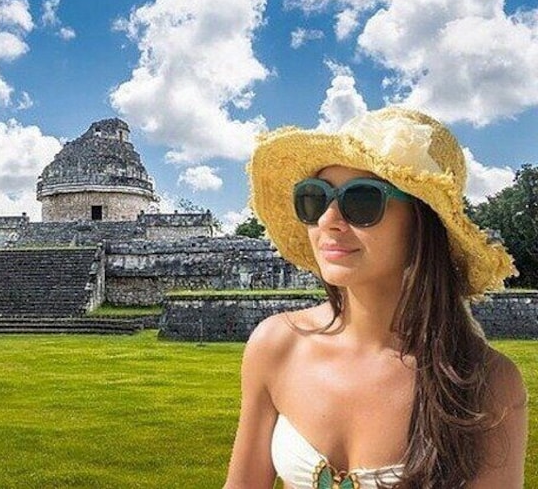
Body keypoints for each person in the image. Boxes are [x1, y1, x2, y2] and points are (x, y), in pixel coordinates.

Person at [223, 107, 528, 488]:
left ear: (422, 221)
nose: (328, 219)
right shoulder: (276, 344)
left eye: (362, 201)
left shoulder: (487, 382)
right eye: (314, 199)